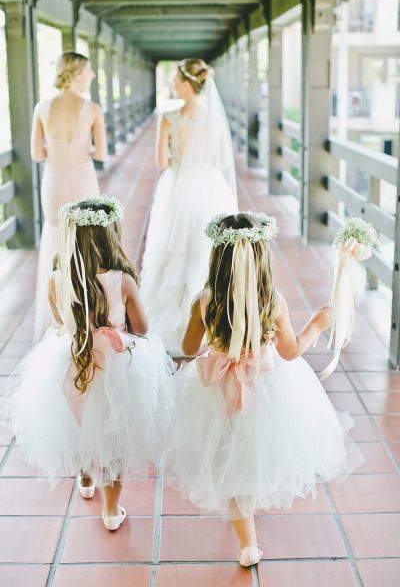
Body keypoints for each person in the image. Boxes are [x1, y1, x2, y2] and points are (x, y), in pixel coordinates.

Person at [160, 212, 363, 566]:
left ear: (219, 259)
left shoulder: (205, 302)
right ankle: (248, 538)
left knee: (228, 456)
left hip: (216, 391)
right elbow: (290, 352)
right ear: (261, 258)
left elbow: (190, 349)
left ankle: (247, 542)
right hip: (267, 390)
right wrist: (315, 324)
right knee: (255, 451)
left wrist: (212, 343)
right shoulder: (273, 301)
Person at [4, 195, 172, 531]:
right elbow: (142, 328)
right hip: (117, 367)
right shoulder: (121, 280)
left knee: (76, 424)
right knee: (114, 438)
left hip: (72, 359)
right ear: (110, 235)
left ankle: (84, 480)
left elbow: (60, 319)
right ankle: (111, 511)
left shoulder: (56, 279)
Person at [140, 58, 238, 356]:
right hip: (209, 187)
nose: (173, 85)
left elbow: (160, 162)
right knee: (205, 249)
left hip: (176, 187)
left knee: (172, 250)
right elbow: (222, 161)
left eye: (176, 81)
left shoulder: (169, 118)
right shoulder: (214, 117)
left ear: (187, 84)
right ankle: (211, 322)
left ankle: (176, 327)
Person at [31, 51, 107, 342]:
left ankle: (56, 320)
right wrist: (81, 149)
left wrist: (57, 149)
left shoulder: (42, 107)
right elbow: (100, 152)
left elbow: (37, 154)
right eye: (88, 70)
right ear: (76, 73)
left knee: (55, 238)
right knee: (89, 238)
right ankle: (88, 313)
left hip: (54, 179)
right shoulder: (92, 109)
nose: (92, 75)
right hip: (84, 178)